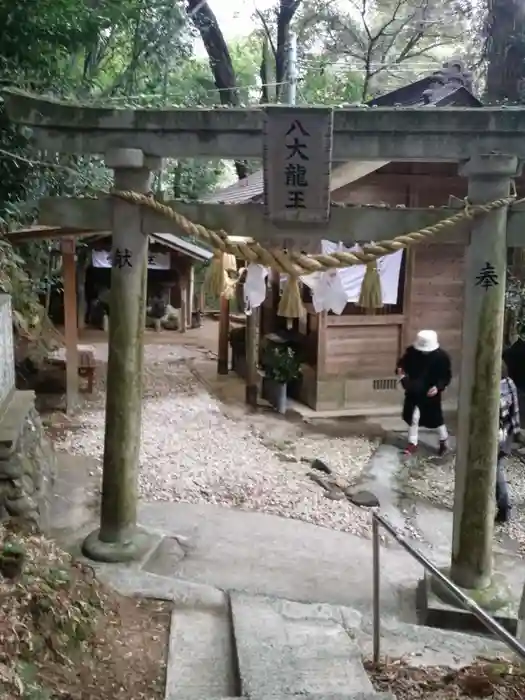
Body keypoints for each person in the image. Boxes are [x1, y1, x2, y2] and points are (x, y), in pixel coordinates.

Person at [396, 330, 452, 457]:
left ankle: (443, 439)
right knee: (413, 418)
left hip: (430, 393)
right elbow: (401, 364)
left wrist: (438, 387)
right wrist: (401, 372)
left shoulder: (441, 357)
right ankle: (412, 443)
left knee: (436, 420)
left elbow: (446, 376)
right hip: (413, 390)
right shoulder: (411, 352)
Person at [496, 360, 521, 523]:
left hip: (498, 434)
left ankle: (504, 506)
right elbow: (515, 411)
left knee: (496, 471)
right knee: (497, 468)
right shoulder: (510, 383)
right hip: (507, 432)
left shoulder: (494, 390)